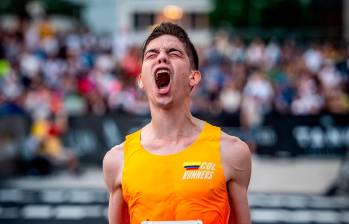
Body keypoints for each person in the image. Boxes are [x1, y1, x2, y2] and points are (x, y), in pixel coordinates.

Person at [103, 22, 251, 224]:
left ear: (193, 77)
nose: (161, 57)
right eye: (152, 55)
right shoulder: (116, 161)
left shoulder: (232, 152)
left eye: (173, 53)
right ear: (140, 80)